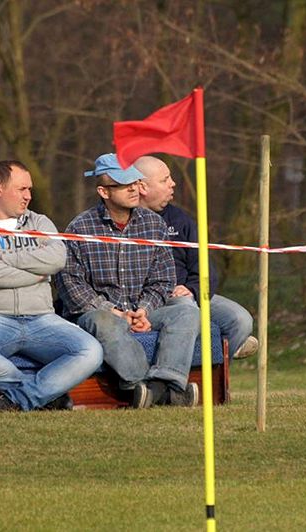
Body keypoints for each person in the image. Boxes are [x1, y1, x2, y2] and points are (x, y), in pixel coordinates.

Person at [0, 160, 103, 412]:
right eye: (21, 189)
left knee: (91, 351)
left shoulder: (40, 223)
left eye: (30, 189)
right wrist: (36, 274)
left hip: (42, 318)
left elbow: (57, 258)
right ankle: (48, 397)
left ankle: (20, 400)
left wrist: (5, 259)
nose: (28, 196)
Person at [56, 153, 200, 408]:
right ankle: (143, 386)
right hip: (102, 313)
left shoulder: (154, 224)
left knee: (186, 311)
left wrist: (144, 310)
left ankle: (164, 382)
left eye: (134, 182)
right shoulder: (79, 228)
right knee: (102, 322)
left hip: (143, 310)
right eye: (124, 184)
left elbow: (163, 279)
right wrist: (115, 313)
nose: (134, 188)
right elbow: (71, 287)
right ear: (104, 192)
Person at [135, 155, 258, 360]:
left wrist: (192, 288)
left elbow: (205, 269)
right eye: (165, 180)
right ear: (142, 187)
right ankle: (178, 374)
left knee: (240, 320)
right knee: (187, 310)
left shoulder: (181, 220)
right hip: (150, 299)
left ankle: (214, 373)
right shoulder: (123, 222)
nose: (173, 183)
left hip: (188, 295)